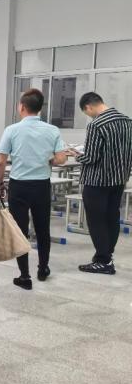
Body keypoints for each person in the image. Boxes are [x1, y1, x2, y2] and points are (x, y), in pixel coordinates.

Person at [0, 89, 68, 289]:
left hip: (19, 186)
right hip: (41, 185)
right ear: (39, 108)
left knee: (20, 230)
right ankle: (43, 269)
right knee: (43, 228)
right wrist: (48, 160)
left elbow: (0, 162)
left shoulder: (11, 130)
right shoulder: (52, 130)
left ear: (22, 107)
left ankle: (24, 276)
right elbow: (61, 159)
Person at [74, 92, 132, 274]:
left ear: (88, 107)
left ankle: (103, 260)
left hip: (97, 182)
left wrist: (77, 155)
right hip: (119, 179)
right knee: (112, 217)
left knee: (96, 220)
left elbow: (91, 157)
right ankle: (107, 254)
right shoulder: (127, 121)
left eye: (86, 112)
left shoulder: (96, 124)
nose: (88, 115)